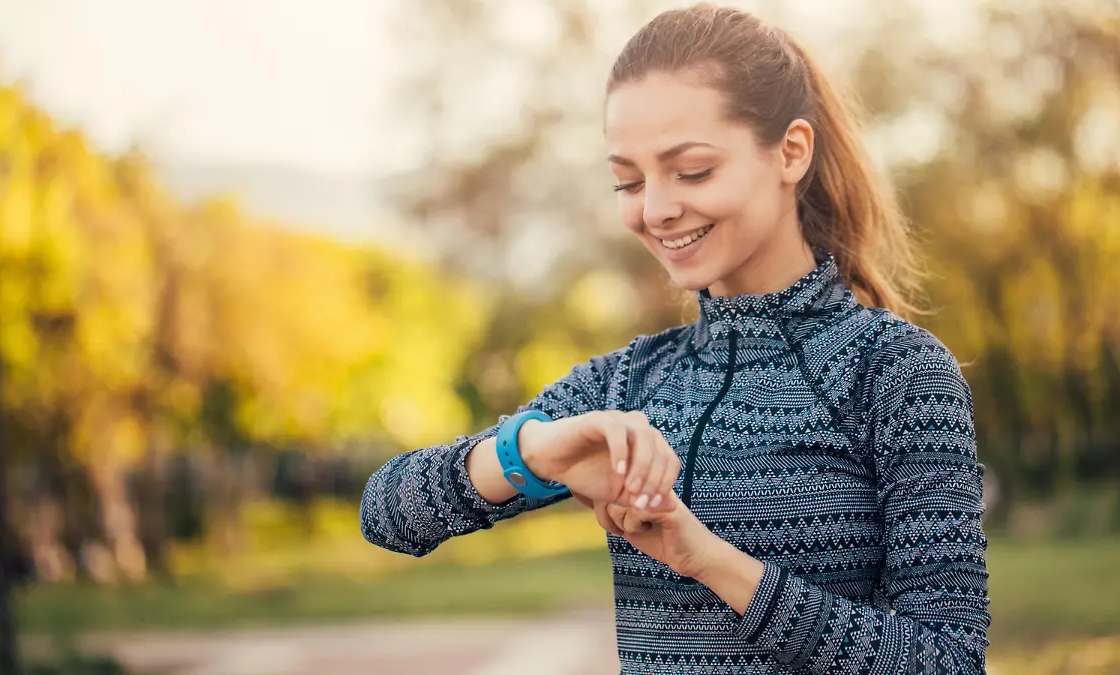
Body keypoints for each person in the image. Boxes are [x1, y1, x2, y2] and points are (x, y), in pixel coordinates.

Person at [361, 4, 990, 673]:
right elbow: (389, 513)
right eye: (628, 180)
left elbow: (947, 660)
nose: (655, 208)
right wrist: (532, 450)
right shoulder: (629, 384)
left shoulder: (896, 372)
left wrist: (713, 562)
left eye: (691, 170)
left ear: (791, 151)